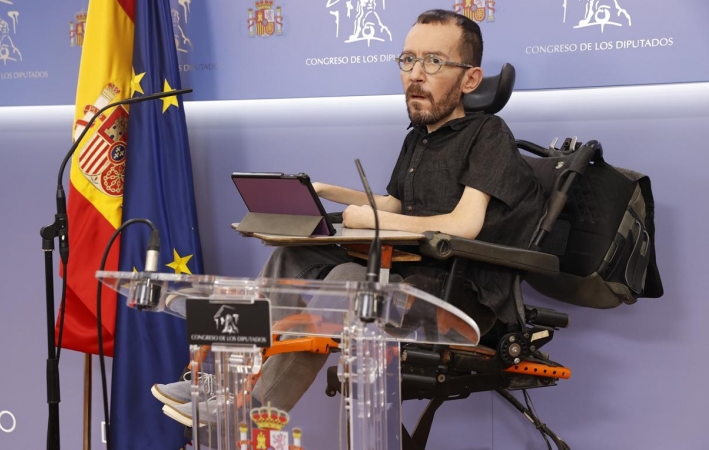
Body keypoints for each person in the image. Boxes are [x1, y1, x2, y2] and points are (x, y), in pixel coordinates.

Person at [153, 8, 545, 425]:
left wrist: (373, 223)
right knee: (291, 260)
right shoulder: (419, 139)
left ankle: (252, 412)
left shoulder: (489, 134)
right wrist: (325, 191)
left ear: (470, 79)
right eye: (407, 60)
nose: (415, 74)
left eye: (433, 61)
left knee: (347, 283)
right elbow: (396, 204)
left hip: (460, 299)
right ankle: (214, 384)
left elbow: (465, 224)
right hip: (405, 279)